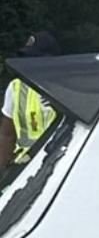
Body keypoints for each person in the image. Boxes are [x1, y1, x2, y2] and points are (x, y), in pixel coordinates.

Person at [3, 31, 61, 167]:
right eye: (26, 57)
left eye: (34, 58)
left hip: (58, 164)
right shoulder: (16, 87)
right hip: (24, 168)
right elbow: (6, 135)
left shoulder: (66, 87)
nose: (28, 63)